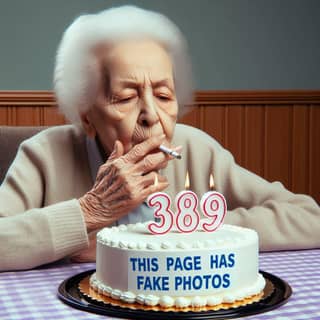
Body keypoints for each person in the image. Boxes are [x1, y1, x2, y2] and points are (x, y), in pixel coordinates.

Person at [0, 6, 319, 271]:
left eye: (165, 95)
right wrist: (89, 212)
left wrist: (183, 229)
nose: (151, 115)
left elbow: (310, 218)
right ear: (86, 115)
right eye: (126, 98)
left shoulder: (196, 148)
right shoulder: (42, 155)